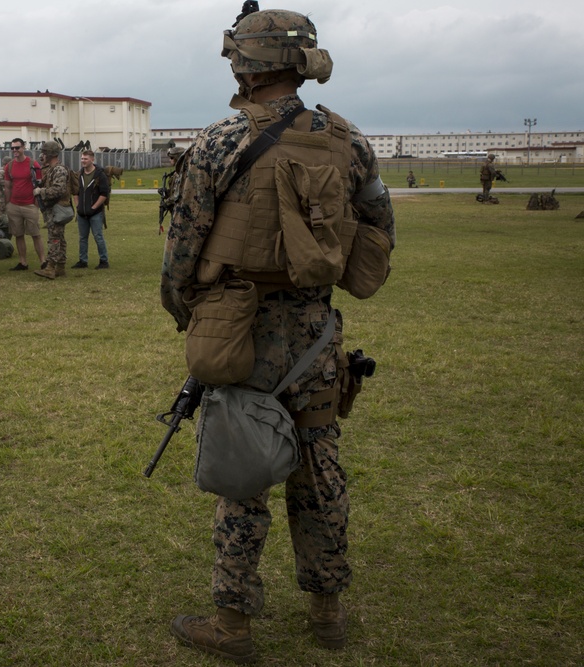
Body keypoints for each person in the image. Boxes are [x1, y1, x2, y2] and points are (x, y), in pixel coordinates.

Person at [161, 6, 395, 662]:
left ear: (248, 64)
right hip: (319, 336)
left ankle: (232, 624)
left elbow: (181, 252)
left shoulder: (218, 142)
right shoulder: (350, 141)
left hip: (241, 335)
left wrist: (188, 312)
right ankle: (328, 614)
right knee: (319, 468)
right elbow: (380, 232)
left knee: (244, 474)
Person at [3, 138, 46, 270]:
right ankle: (23, 262)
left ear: (23, 148)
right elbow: (8, 186)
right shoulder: (9, 166)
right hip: (14, 205)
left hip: (30, 205)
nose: (15, 151)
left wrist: (35, 204)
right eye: (13, 148)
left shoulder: (33, 164)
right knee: (18, 234)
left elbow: (40, 183)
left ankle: (43, 262)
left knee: (35, 234)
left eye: (17, 148)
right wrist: (8, 203)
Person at [33, 141, 72, 280]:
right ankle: (60, 266)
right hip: (54, 208)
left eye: (45, 152)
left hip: (57, 208)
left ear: (51, 154)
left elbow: (59, 190)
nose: (43, 154)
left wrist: (41, 191)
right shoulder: (52, 169)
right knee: (59, 237)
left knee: (54, 238)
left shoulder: (59, 170)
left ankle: (50, 267)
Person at [70, 150, 111, 270]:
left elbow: (104, 194)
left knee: (98, 236)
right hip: (82, 213)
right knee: (82, 238)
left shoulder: (100, 175)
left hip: (95, 213)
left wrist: (94, 207)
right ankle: (83, 261)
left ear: (92, 159)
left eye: (85, 159)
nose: (83, 161)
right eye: (82, 159)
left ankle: (104, 261)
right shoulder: (79, 175)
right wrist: (78, 206)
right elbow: (75, 192)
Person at [158, 146, 185, 234]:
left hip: (183, 214)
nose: (170, 160)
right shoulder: (175, 175)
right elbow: (173, 192)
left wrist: (166, 203)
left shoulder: (184, 175)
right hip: (175, 212)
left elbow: (179, 194)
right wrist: (166, 192)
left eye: (172, 158)